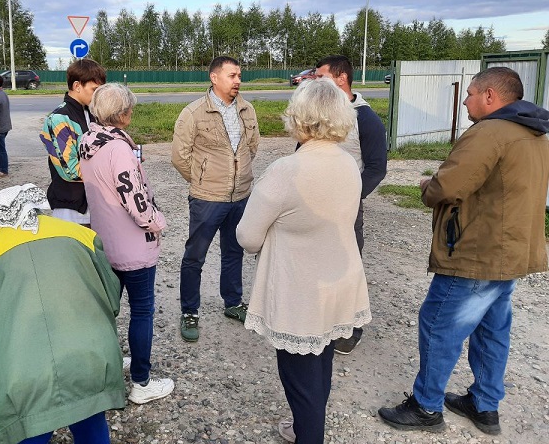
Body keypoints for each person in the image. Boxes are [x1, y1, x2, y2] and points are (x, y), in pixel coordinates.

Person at [378, 67, 549, 435]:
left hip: (477, 253)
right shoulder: (534, 134)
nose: (466, 101)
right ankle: (485, 405)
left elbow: (447, 187)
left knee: (440, 325)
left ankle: (426, 407)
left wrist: (427, 184)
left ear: (490, 96)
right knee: (492, 329)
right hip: (510, 252)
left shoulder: (489, 133)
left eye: (470, 93)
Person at [237, 78, 372, 444]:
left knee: (300, 380)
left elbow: (247, 237)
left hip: (301, 294)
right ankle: (303, 427)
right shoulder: (348, 163)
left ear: (299, 118)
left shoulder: (287, 169)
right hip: (339, 283)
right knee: (321, 365)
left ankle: (308, 434)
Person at [0, 184, 126, 444]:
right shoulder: (82, 235)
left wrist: (4, 342)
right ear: (38, 206)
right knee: (90, 417)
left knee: (30, 426)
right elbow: (111, 294)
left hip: (23, 368)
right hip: (90, 355)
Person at [79, 83, 175, 404]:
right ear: (122, 114)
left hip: (105, 241)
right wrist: (157, 222)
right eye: (130, 109)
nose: (132, 113)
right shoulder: (118, 149)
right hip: (133, 245)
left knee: (108, 310)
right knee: (143, 311)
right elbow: (135, 201)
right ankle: (141, 382)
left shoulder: (88, 140)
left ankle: (105, 367)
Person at [171, 55, 260, 342]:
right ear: (214, 77)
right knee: (195, 256)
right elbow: (179, 157)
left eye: (239, 75)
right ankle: (189, 311)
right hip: (207, 198)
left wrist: (238, 178)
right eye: (232, 75)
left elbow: (252, 147)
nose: (238, 81)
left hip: (241, 196)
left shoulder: (247, 110)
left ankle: (233, 303)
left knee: (234, 252)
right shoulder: (193, 113)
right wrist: (202, 179)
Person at [314, 55, 387, 354]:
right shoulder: (320, 113)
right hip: (316, 207)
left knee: (347, 267)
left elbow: (376, 168)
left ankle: (350, 328)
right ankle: (323, 319)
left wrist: (350, 198)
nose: (316, 82)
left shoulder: (365, 118)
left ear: (342, 78)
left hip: (346, 210)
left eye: (322, 77)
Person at [39, 58, 106, 226]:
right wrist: (110, 173)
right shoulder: (58, 119)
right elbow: (69, 170)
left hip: (96, 205)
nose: (98, 95)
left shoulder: (94, 114)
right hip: (72, 209)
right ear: (77, 86)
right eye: (94, 89)